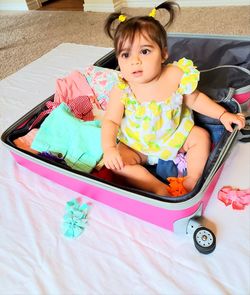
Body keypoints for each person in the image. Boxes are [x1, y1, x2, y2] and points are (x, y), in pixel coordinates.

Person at [101, 1, 246, 197]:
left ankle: (191, 179)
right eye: (125, 54)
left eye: (144, 51)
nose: (134, 61)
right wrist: (110, 149)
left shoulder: (175, 74)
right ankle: (156, 187)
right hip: (137, 145)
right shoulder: (122, 87)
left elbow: (194, 99)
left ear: (163, 54)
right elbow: (110, 121)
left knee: (200, 137)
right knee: (118, 164)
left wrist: (222, 114)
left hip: (175, 136)